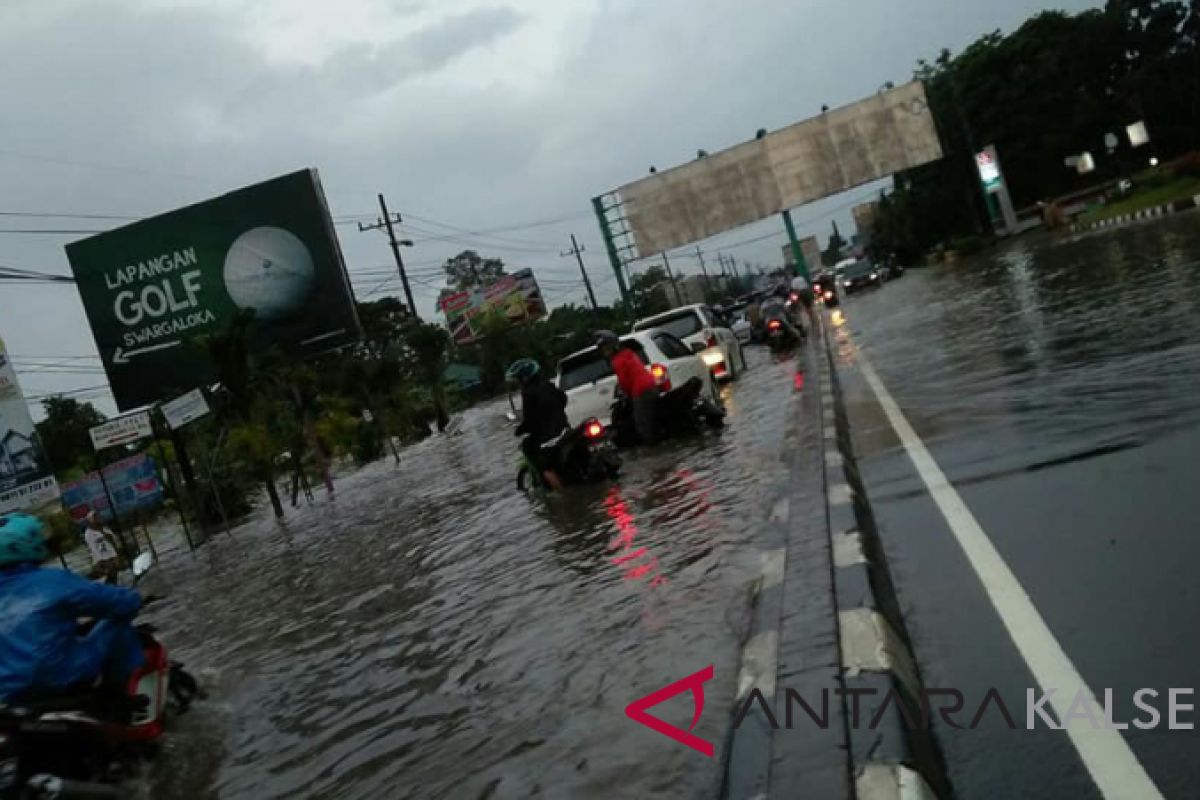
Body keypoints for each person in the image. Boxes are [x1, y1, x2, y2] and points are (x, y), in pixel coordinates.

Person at [0, 512, 144, 703]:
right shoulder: (52, 580)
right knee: (115, 626)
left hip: (9, 692)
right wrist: (134, 599)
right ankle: (120, 698)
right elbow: (115, 601)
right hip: (59, 675)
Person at [507, 358, 569, 490]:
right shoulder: (548, 384)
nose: (518, 382)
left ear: (524, 378)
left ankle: (561, 493)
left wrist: (520, 430)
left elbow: (530, 419)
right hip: (565, 429)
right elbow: (563, 399)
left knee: (545, 468)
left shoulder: (528, 393)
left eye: (518, 379)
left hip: (550, 437)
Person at [595, 330, 660, 444]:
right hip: (651, 385)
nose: (605, 351)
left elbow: (624, 381)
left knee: (643, 426)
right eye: (603, 349)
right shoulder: (628, 353)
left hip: (640, 391)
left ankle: (653, 449)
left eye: (607, 348)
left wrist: (625, 393)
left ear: (613, 346)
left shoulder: (617, 361)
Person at [82, 510, 123, 584]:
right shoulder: (89, 533)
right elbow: (93, 548)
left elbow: (114, 540)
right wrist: (101, 560)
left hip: (112, 554)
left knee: (114, 573)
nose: (99, 519)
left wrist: (117, 554)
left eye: (99, 517)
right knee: (111, 573)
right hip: (103, 558)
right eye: (96, 518)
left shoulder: (105, 529)